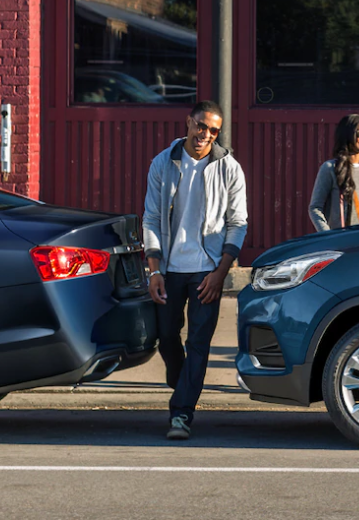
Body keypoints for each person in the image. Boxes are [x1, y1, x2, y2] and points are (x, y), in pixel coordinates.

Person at [141, 100, 248, 441]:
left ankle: (181, 414)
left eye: (213, 130)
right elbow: (152, 218)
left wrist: (220, 273)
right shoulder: (164, 163)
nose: (205, 134)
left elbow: (238, 222)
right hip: (171, 269)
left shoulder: (229, 168)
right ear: (188, 122)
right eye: (201, 126)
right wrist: (154, 270)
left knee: (199, 343)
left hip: (207, 272)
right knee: (167, 337)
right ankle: (183, 381)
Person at [308, 114, 359, 232]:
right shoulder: (330, 169)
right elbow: (315, 208)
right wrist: (327, 235)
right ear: (347, 135)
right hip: (342, 243)